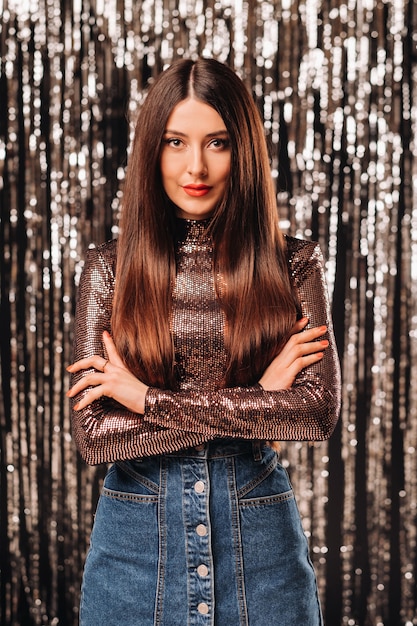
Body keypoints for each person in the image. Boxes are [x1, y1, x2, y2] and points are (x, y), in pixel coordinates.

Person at [67, 57, 341, 626]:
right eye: (175, 142)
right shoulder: (108, 272)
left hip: (260, 546)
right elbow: (94, 435)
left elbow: (315, 413)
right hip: (133, 550)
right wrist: (257, 396)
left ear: (242, 151)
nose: (196, 166)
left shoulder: (292, 265)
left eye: (217, 143)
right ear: (151, 151)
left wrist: (146, 399)